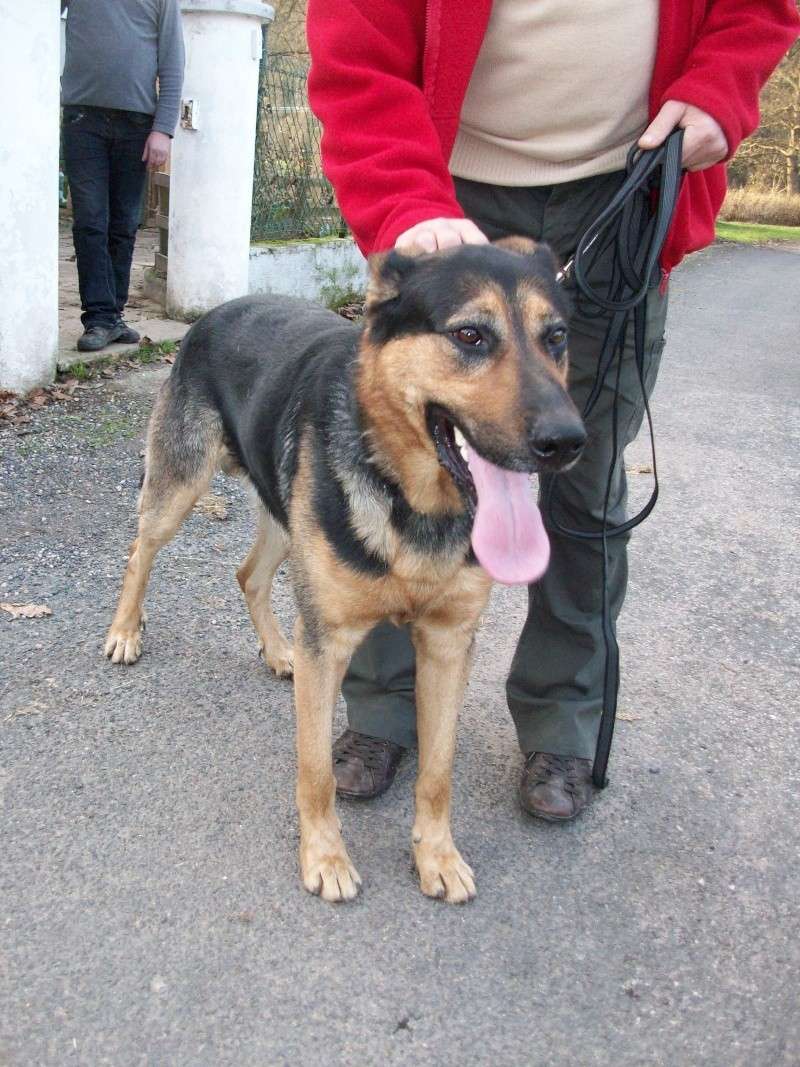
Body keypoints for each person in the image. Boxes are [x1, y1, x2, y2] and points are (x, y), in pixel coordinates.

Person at [306, 0, 800, 820]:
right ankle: (384, 709)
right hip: (444, 184)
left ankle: (562, 722)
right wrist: (403, 198)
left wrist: (721, 88)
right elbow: (356, 41)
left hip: (627, 191)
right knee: (400, 469)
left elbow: (757, 10)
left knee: (582, 473)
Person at [60, 0, 185, 352]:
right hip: (82, 120)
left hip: (137, 125)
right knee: (90, 221)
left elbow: (173, 63)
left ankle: (112, 315)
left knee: (124, 224)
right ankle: (99, 317)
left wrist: (163, 129)